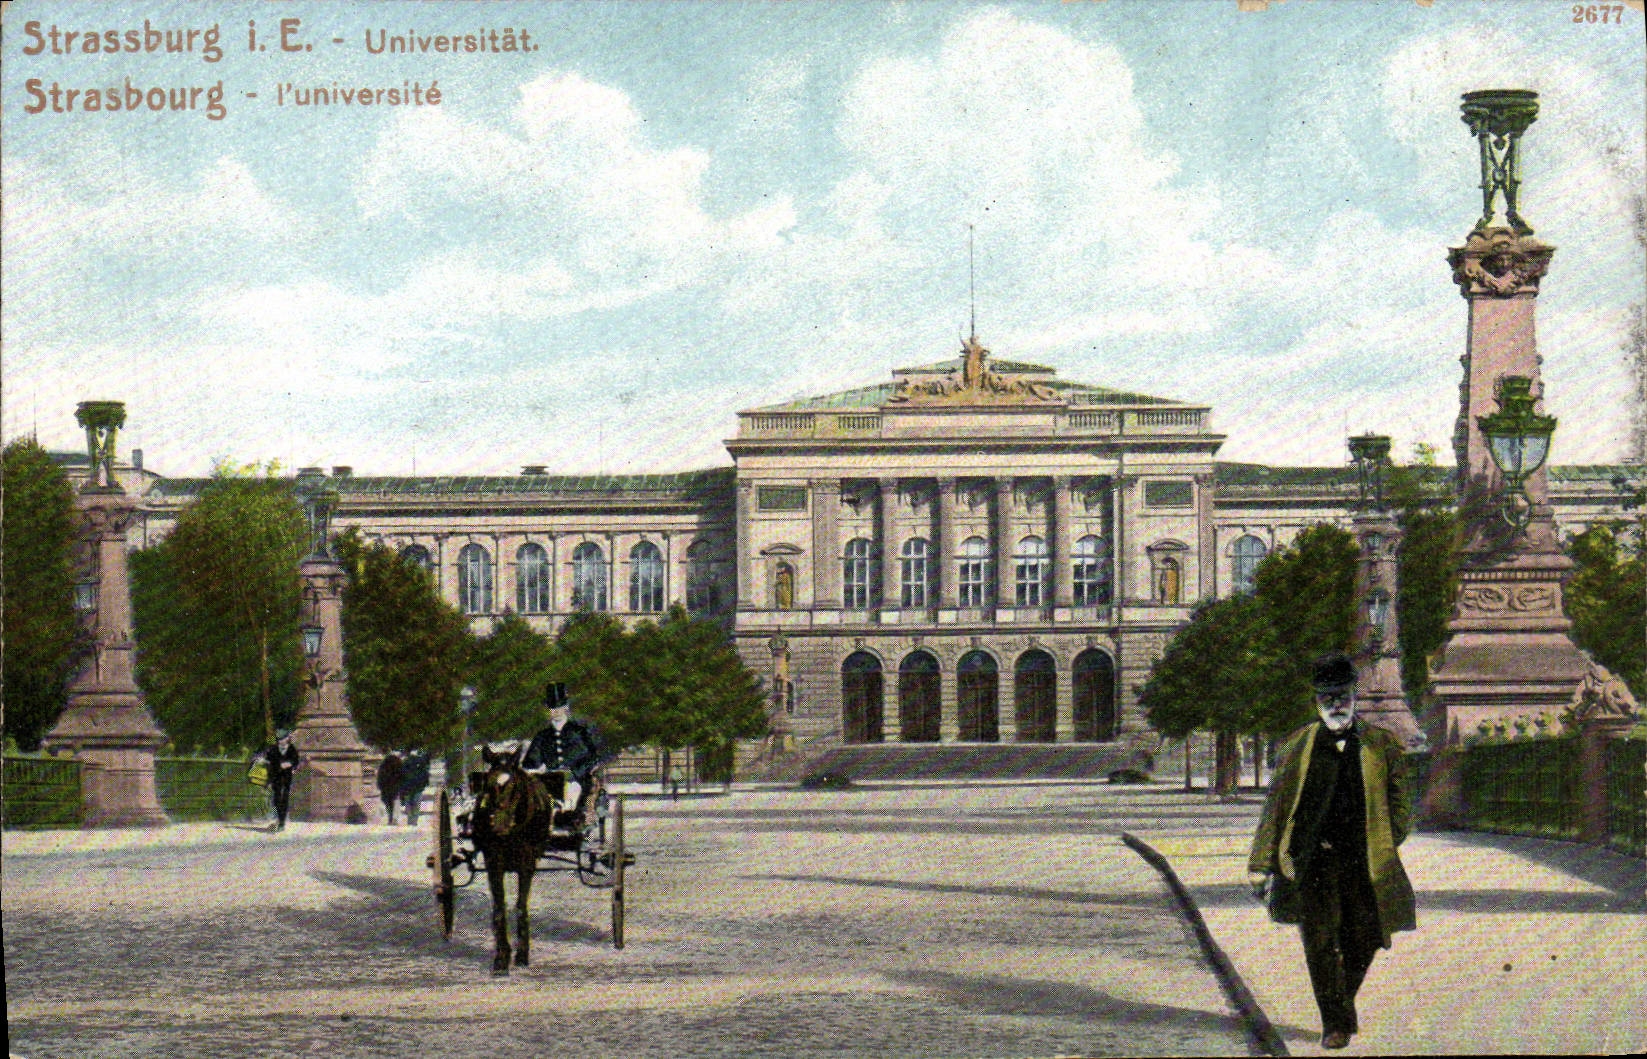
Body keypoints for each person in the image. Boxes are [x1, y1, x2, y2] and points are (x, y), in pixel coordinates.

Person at [1247, 652, 1416, 1050]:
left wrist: (1388, 837)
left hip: (1364, 860)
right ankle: (1335, 1024)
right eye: (1327, 697)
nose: (1335, 704)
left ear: (1353, 696)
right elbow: (1275, 806)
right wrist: (1261, 863)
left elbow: (1401, 802)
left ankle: (1341, 1006)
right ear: (1316, 700)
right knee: (1320, 943)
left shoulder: (1381, 744)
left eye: (1341, 695)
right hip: (1312, 861)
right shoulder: (1297, 747)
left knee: (1367, 936)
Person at [522, 682, 606, 819]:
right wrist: (538, 767)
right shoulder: (542, 736)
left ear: (566, 707)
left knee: (572, 791)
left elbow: (593, 757)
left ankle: (567, 818)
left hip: (576, 779)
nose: (556, 711)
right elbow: (530, 761)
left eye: (559, 707)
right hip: (548, 781)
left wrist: (576, 771)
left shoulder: (579, 732)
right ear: (548, 710)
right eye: (552, 707)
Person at [264, 728, 301, 832]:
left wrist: (290, 764)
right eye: (279, 739)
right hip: (276, 777)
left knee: (284, 798)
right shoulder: (273, 749)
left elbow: (296, 760)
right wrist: (277, 765)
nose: (281, 741)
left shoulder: (291, 749)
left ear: (287, 739)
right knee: (276, 798)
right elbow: (269, 760)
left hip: (286, 777)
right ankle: (277, 819)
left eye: (283, 739)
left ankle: (281, 822)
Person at [399, 748, 431, 827]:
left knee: (408, 803)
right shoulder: (421, 761)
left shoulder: (405, 762)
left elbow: (401, 775)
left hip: (407, 786)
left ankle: (410, 820)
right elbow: (425, 774)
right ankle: (414, 821)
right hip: (418, 786)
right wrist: (425, 783)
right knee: (416, 803)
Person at [376, 749, 404, 825]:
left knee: (388, 803)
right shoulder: (399, 762)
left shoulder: (384, 763)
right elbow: (402, 775)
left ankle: (390, 818)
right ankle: (395, 818)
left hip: (386, 787)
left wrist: (380, 786)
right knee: (396, 802)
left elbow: (380, 776)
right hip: (395, 786)